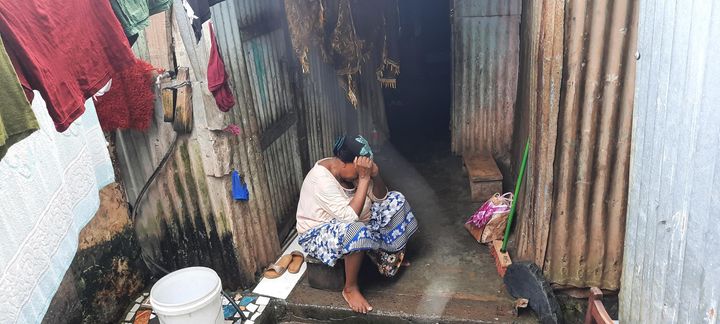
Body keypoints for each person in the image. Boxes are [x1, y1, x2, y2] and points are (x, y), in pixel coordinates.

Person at [296, 135, 418, 313]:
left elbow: (381, 197)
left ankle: (388, 255)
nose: (363, 171)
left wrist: (374, 176)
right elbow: (349, 217)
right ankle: (350, 288)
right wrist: (363, 178)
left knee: (395, 200)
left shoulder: (351, 172)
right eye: (360, 169)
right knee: (356, 230)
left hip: (352, 220)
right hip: (318, 233)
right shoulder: (320, 179)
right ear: (344, 163)